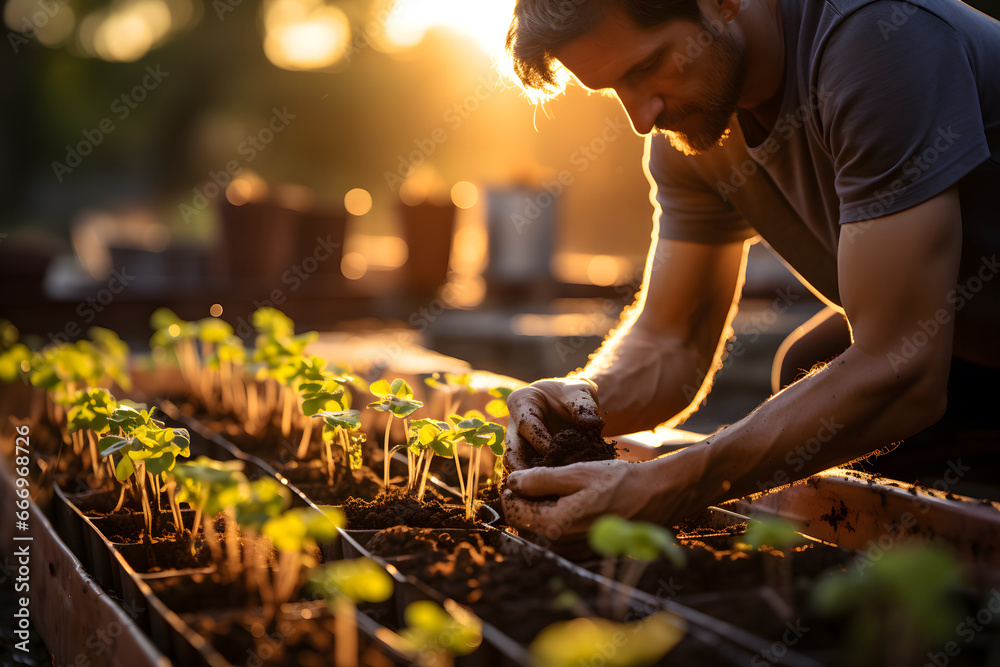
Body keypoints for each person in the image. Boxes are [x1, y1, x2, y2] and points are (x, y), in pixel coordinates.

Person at [499, 0, 1000, 544]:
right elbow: (673, 338)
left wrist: (672, 482)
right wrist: (580, 401)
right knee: (809, 372)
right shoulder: (692, 123)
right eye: (616, 89)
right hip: (970, 349)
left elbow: (901, 370)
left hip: (952, 365)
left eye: (646, 67)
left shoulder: (878, 38)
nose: (641, 118)